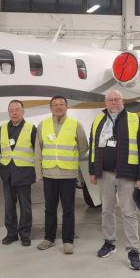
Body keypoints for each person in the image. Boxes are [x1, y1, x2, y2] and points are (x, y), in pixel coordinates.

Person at [88, 90, 140, 270]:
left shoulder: (135, 119)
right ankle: (109, 243)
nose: (113, 103)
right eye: (110, 100)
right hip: (105, 174)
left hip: (127, 175)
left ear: (122, 101)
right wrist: (93, 170)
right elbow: (93, 147)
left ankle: (133, 250)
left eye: (116, 99)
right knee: (107, 210)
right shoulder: (98, 121)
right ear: (106, 103)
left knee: (129, 213)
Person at [35, 96, 89, 255]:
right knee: (49, 208)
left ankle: (68, 241)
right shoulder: (43, 125)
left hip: (68, 174)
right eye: (55, 105)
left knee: (68, 210)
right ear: (50, 108)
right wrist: (39, 171)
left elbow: (83, 147)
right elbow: (38, 149)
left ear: (67, 107)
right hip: (49, 173)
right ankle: (49, 238)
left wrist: (70, 157)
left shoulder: (75, 125)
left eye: (61, 104)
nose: (58, 107)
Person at [0, 100, 37, 247]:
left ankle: (25, 234)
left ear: (23, 112)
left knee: (25, 206)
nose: (14, 113)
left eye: (17, 110)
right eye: (11, 110)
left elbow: (37, 150)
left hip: (23, 172)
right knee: (8, 205)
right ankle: (11, 234)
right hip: (7, 172)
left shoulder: (31, 128)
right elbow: (1, 148)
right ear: (8, 112)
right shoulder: (2, 128)